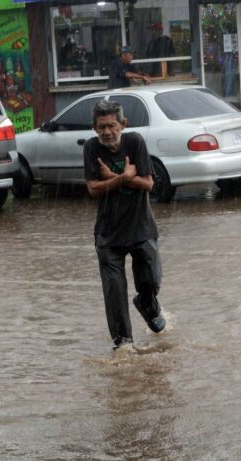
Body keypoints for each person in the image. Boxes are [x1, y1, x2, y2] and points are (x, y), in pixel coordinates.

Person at [83, 100, 166, 350]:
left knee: (150, 281)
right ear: (94, 128)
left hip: (141, 228)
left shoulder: (135, 142)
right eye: (100, 127)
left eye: (111, 125)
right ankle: (124, 346)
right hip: (108, 235)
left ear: (123, 124)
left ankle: (147, 305)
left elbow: (148, 184)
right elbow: (93, 189)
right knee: (114, 294)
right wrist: (124, 178)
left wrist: (114, 178)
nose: (106, 132)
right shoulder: (91, 148)